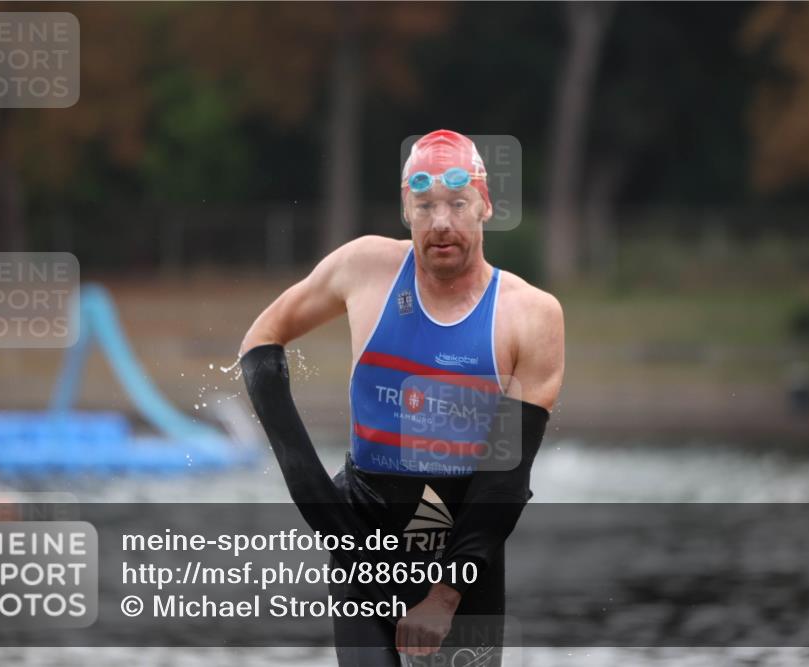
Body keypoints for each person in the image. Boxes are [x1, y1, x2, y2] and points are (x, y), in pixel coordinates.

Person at [239, 129, 565, 666]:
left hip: (464, 545)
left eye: (457, 204)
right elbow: (260, 341)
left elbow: (505, 481)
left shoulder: (530, 315)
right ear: (405, 210)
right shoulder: (364, 268)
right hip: (362, 525)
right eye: (425, 205)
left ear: (486, 206)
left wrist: (443, 597)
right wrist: (336, 523)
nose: (441, 221)